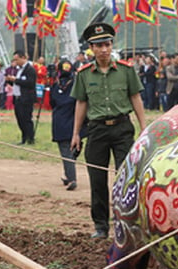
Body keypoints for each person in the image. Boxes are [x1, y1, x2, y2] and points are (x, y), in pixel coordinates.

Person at [70, 23, 146, 239]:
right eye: (98, 45)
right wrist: (76, 133)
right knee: (97, 180)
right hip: (96, 131)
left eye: (107, 44)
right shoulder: (83, 74)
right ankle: (101, 226)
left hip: (122, 129)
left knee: (125, 178)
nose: (103, 49)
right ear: (91, 48)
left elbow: (135, 97)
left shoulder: (126, 70)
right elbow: (81, 103)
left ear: (112, 45)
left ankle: (125, 223)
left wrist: (144, 128)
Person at [50, 60, 81, 191]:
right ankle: (69, 175)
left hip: (61, 121)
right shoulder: (76, 85)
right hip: (75, 121)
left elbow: (52, 103)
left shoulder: (55, 86)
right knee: (72, 148)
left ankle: (72, 178)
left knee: (65, 150)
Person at [7, 50, 36, 144]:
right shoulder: (18, 69)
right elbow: (17, 82)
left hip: (26, 98)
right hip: (17, 98)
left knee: (27, 118)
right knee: (20, 118)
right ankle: (24, 137)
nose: (16, 62)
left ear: (23, 57)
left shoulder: (30, 69)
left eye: (17, 59)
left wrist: (16, 80)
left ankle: (30, 138)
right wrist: (10, 80)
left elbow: (30, 83)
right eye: (14, 60)